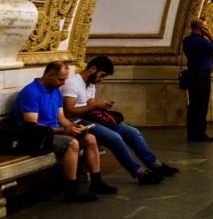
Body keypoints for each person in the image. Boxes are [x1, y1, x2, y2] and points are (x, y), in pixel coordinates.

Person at [61, 56, 177, 185]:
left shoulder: (91, 84)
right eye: (102, 75)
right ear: (93, 69)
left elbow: (89, 106)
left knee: (132, 132)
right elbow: (69, 111)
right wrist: (94, 105)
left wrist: (101, 107)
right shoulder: (72, 83)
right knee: (114, 137)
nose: (102, 79)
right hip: (77, 122)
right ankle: (140, 173)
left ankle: (156, 165)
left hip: (89, 118)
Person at [11, 61, 113, 202]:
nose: (64, 83)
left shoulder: (55, 92)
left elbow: (61, 118)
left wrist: (73, 128)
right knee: (72, 144)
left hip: (52, 132)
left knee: (90, 138)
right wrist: (63, 131)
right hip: (34, 137)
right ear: (48, 75)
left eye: (65, 79)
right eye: (61, 79)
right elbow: (33, 127)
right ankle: (71, 190)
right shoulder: (31, 92)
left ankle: (97, 183)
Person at [182, 17, 213, 142]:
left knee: (193, 105)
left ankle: (191, 133)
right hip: (202, 76)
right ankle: (200, 133)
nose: (207, 27)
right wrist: (209, 34)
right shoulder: (202, 42)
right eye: (205, 26)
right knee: (201, 105)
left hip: (191, 75)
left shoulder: (187, 40)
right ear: (201, 28)